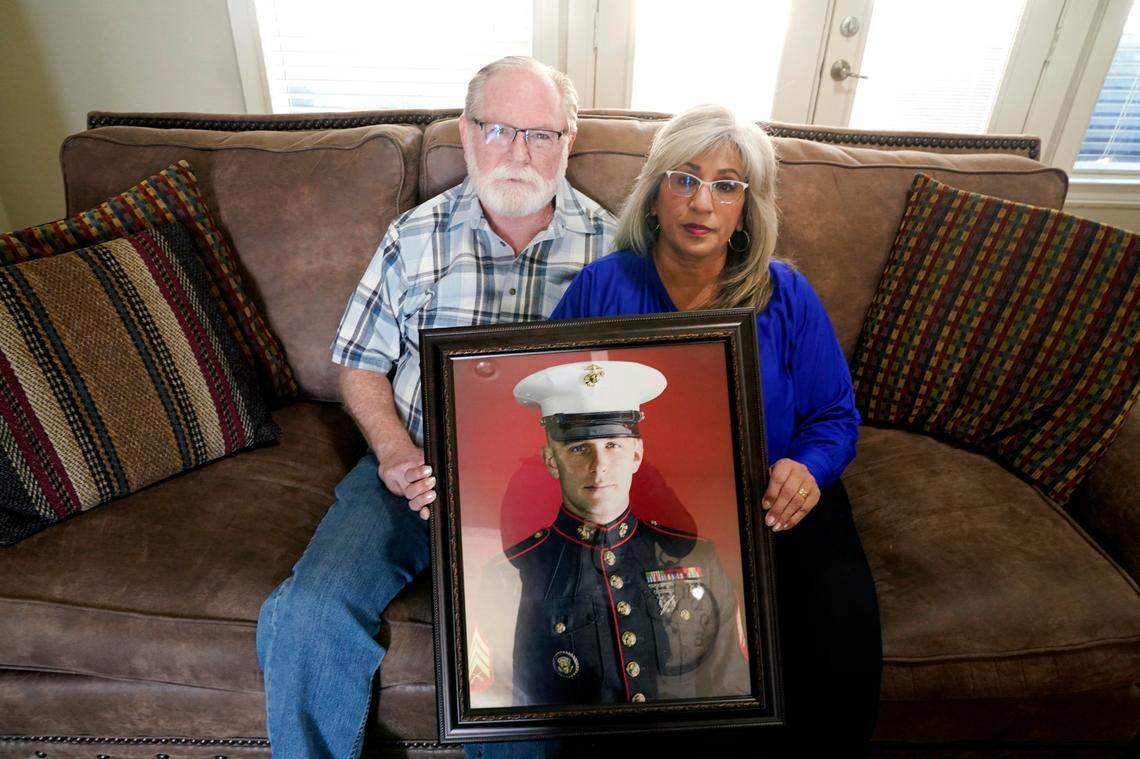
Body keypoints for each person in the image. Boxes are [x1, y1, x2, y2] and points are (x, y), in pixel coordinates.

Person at [254, 56, 617, 758]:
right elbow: (359, 363)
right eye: (500, 130)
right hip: (413, 467)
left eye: (541, 135)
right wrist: (393, 450)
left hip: (539, 492)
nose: (519, 152)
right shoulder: (414, 237)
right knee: (305, 614)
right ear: (466, 129)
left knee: (514, 663)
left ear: (569, 139)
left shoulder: (610, 248)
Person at [544, 105, 883, 754]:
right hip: (645, 508)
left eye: (727, 185)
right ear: (654, 197)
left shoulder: (785, 293)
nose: (703, 201)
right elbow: (551, 397)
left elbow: (835, 415)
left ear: (746, 209)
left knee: (837, 640)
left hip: (773, 496)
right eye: (685, 178)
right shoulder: (602, 285)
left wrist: (808, 469)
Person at [469, 360, 749, 708]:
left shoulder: (697, 558)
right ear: (551, 461)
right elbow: (504, 710)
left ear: (637, 454)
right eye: (577, 448)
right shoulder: (510, 575)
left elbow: (732, 689)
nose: (598, 466)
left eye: (613, 446)